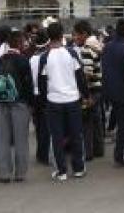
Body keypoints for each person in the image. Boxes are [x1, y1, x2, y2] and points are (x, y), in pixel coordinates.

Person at [37, 20, 89, 181]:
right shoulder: (72, 53)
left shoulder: (44, 57)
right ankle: (78, 168)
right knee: (76, 134)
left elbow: (42, 81)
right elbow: (80, 76)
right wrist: (85, 95)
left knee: (57, 136)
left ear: (48, 37)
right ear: (62, 35)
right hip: (72, 99)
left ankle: (61, 170)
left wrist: (45, 100)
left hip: (54, 101)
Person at [0, 30, 33, 183]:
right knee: (20, 139)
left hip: (2, 102)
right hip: (19, 103)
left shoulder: (1, 59)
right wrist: (30, 103)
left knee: (3, 138)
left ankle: (4, 173)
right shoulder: (23, 60)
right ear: (19, 43)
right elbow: (28, 84)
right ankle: (20, 173)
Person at [101, 18, 124, 166]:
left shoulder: (107, 46)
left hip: (110, 90)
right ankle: (123, 155)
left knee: (119, 123)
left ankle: (120, 153)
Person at [71, 20, 104, 161]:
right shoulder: (97, 45)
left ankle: (88, 152)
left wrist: (84, 93)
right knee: (96, 121)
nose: (74, 38)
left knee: (86, 123)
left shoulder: (86, 48)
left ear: (84, 34)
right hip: (99, 87)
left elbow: (87, 73)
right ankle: (98, 149)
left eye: (76, 35)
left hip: (90, 89)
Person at [29, 30, 51, 166]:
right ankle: (47, 154)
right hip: (45, 94)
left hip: (34, 95)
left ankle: (40, 153)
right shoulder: (46, 57)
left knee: (38, 126)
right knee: (47, 126)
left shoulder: (31, 58)